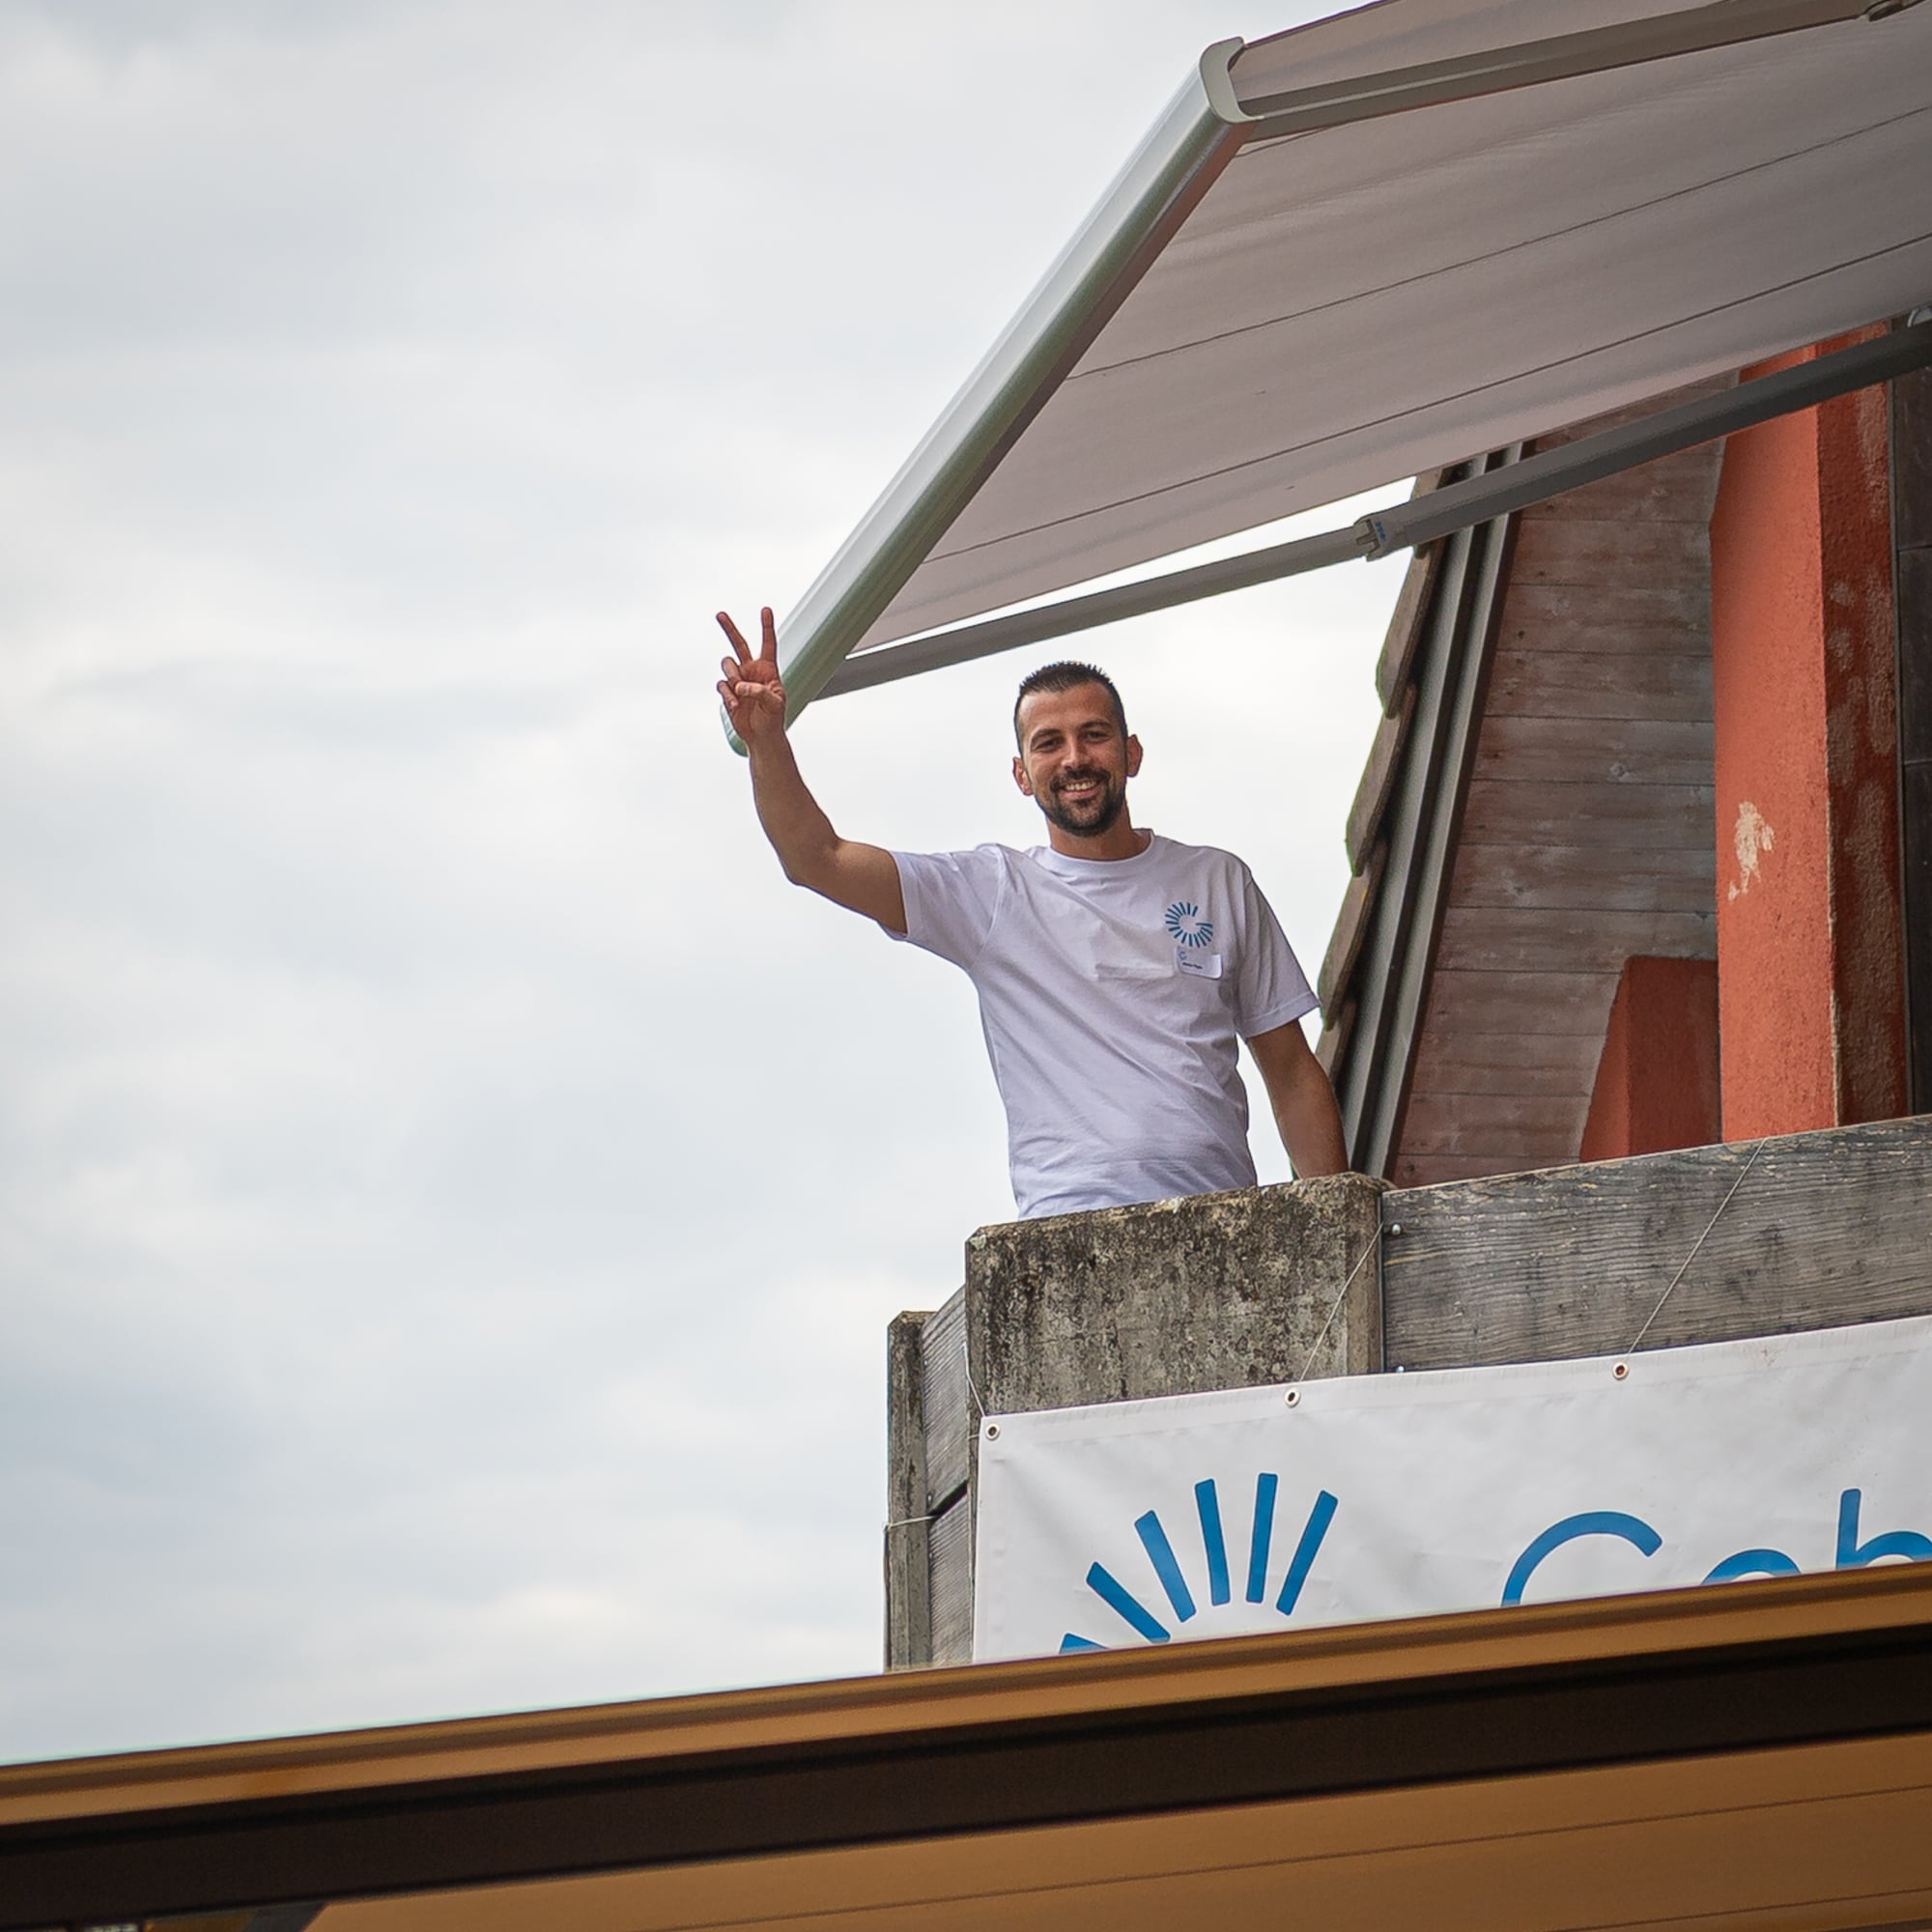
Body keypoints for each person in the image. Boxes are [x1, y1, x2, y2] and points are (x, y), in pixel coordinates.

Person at [716, 606, 1349, 1219]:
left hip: (1224, 1223)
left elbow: (1292, 1072)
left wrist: (1340, 1231)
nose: (1074, 758)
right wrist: (767, 742)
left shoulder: (1217, 880)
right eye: (1049, 743)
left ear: (1131, 754)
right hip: (1067, 1233)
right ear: (1022, 774)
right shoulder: (993, 892)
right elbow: (817, 859)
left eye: (1093, 735)